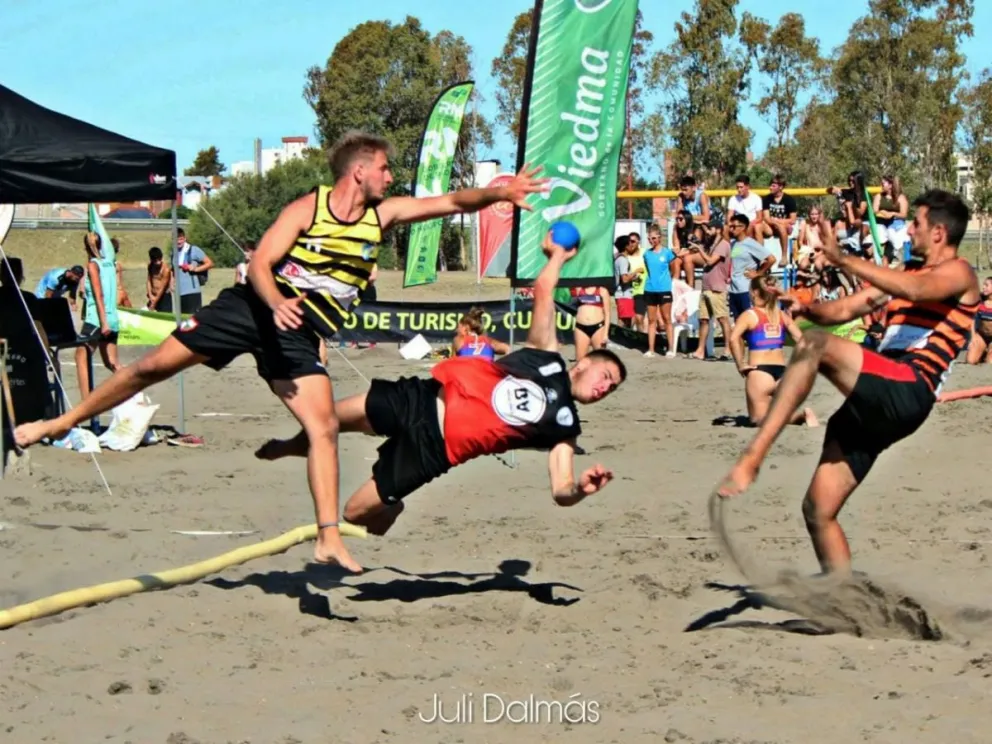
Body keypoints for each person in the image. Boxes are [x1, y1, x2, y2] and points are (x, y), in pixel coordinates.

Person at [14, 130, 546, 573]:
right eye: (384, 168)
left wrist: (502, 194)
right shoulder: (306, 207)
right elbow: (263, 262)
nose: (391, 177)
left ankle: (329, 536)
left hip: (294, 334)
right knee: (149, 367)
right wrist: (275, 302)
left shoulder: (382, 217)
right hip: (251, 308)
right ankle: (58, 424)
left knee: (325, 427)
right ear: (359, 171)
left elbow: (452, 201)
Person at [255, 226, 627, 536]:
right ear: (584, 363)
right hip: (421, 396)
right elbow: (544, 291)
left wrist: (579, 488)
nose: (604, 388)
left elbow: (560, 489)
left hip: (434, 449)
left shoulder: (565, 427)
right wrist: (558, 255)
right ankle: (292, 445)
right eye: (606, 376)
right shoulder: (546, 356)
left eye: (611, 390)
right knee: (326, 420)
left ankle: (392, 505)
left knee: (354, 513)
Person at [718, 190, 981, 575]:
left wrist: (844, 258)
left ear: (939, 233)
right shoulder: (906, 272)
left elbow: (916, 292)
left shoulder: (960, 273)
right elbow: (845, 309)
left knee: (813, 346)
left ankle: (753, 457)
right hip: (875, 395)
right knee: (817, 510)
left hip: (909, 385)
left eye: (917, 223)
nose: (909, 230)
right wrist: (807, 308)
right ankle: (846, 603)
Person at [728, 275, 817, 427]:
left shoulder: (750, 315)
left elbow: (733, 339)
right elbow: (801, 340)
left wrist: (740, 364)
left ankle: (800, 416)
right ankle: (801, 416)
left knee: (757, 420)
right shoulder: (780, 315)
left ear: (755, 292)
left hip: (759, 371)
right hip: (782, 371)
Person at [76, 232, 121, 402]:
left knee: (81, 355)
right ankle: (135, 396)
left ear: (85, 247)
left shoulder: (93, 265)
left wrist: (103, 323)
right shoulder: (110, 263)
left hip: (97, 319)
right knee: (112, 363)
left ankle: (86, 404)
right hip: (112, 317)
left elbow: (98, 294)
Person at [643, 224, 677, 357]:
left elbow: (674, 269)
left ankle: (670, 348)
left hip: (664, 289)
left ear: (660, 237)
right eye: (649, 238)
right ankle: (651, 349)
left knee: (667, 318)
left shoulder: (667, 253)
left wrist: (669, 281)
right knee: (652, 320)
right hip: (650, 288)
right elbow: (648, 269)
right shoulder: (647, 254)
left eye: (654, 238)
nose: (652, 241)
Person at [571, 283, 610, 361]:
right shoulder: (579, 289)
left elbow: (607, 313)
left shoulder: (602, 290)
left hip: (598, 328)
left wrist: (606, 333)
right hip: (580, 328)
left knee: (600, 360)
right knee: (580, 360)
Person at [966, 276, 992, 365]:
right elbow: (972, 319)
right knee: (971, 361)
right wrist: (973, 337)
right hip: (982, 335)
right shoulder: (979, 300)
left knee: (990, 362)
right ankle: (983, 350)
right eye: (983, 285)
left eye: (986, 285)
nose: (983, 287)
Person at [146, 247, 173, 312]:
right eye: (155, 260)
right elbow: (149, 281)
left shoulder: (166, 270)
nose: (158, 262)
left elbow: (162, 288)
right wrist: (150, 295)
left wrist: (154, 303)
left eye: (159, 259)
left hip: (164, 297)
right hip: (153, 296)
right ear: (151, 259)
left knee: (165, 318)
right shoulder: (150, 266)